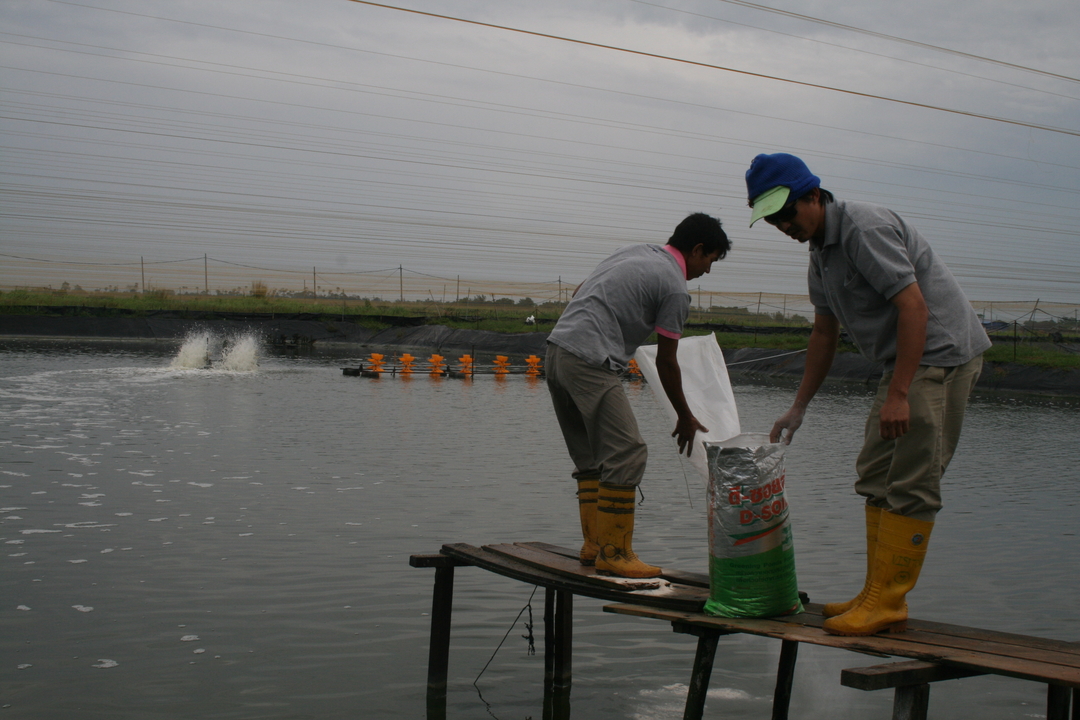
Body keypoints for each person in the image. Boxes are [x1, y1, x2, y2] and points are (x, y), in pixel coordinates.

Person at [745, 153, 990, 636]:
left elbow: (913, 306)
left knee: (913, 479)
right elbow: (823, 333)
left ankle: (888, 602)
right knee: (875, 472)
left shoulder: (863, 227)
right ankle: (873, 591)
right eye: (772, 219)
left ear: (814, 196)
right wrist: (799, 406)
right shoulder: (820, 252)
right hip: (902, 364)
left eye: (787, 213)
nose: (782, 226)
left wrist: (899, 393)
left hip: (939, 356)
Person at [546, 213, 731, 578]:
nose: (707, 270)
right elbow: (666, 361)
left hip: (556, 353)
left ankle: (594, 546)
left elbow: (580, 290)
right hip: (589, 360)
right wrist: (685, 416)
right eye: (710, 260)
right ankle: (615, 554)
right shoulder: (676, 288)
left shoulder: (633, 252)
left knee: (591, 458)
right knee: (628, 453)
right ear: (696, 250)